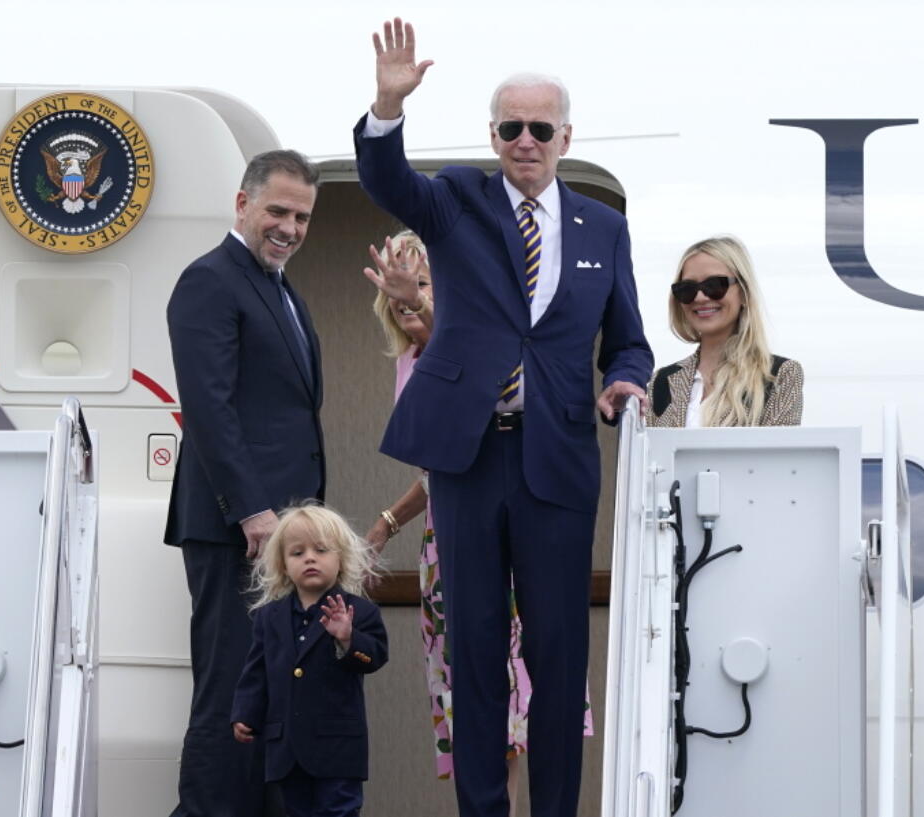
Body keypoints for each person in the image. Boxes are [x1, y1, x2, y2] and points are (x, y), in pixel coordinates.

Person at [354, 19, 653, 817]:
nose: (526, 141)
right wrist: (387, 107)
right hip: (469, 458)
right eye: (511, 127)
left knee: (559, 657)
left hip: (557, 458)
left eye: (540, 128)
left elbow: (629, 342)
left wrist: (625, 384)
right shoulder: (458, 199)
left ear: (565, 135)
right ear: (493, 134)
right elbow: (389, 183)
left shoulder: (605, 228)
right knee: (476, 654)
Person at [362, 233, 595, 817]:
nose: (408, 299)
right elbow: (443, 463)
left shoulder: (492, 344)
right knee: (470, 704)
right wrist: (389, 521)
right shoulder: (410, 365)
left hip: (512, 545)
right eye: (399, 291)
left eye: (422, 283)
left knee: (519, 705)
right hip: (448, 550)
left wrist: (439, 318)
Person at [164, 149, 325, 817]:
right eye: (277, 210)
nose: (289, 226)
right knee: (230, 689)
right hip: (241, 531)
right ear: (242, 204)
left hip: (282, 533)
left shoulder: (282, 288)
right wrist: (254, 512)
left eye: (302, 216)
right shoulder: (210, 280)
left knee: (267, 693)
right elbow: (209, 407)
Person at [232, 504, 387, 817]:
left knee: (338, 810)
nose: (310, 558)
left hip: (338, 748)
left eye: (321, 550)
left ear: (340, 558)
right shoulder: (268, 618)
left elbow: (375, 656)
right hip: (286, 748)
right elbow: (256, 671)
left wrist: (347, 637)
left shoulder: (360, 612)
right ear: (283, 564)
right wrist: (245, 712)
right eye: (297, 552)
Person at [645, 235, 803, 427]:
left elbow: (779, 454)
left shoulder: (779, 375)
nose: (701, 297)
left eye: (715, 285)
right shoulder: (661, 382)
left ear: (744, 293)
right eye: (687, 289)